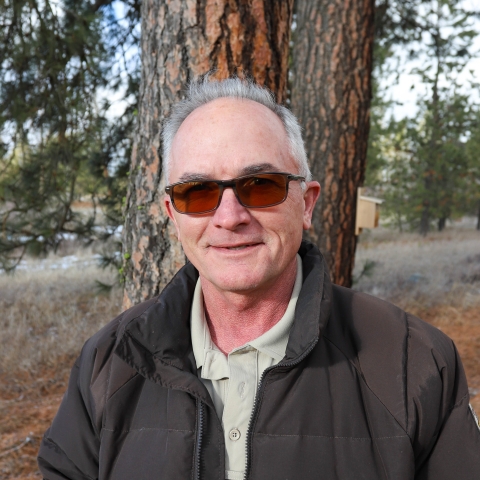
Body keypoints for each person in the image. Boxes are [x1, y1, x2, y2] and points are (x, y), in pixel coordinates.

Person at [38, 77, 480, 480]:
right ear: (174, 216)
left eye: (261, 184)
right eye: (197, 192)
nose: (229, 218)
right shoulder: (108, 362)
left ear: (306, 204)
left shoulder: (413, 363)